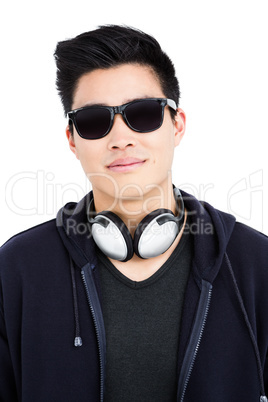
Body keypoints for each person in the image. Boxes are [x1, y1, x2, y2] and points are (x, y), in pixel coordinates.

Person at [0, 25, 267, 402]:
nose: (121, 138)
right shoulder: (19, 267)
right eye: (95, 120)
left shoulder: (255, 264)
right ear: (72, 140)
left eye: (142, 114)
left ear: (177, 125)